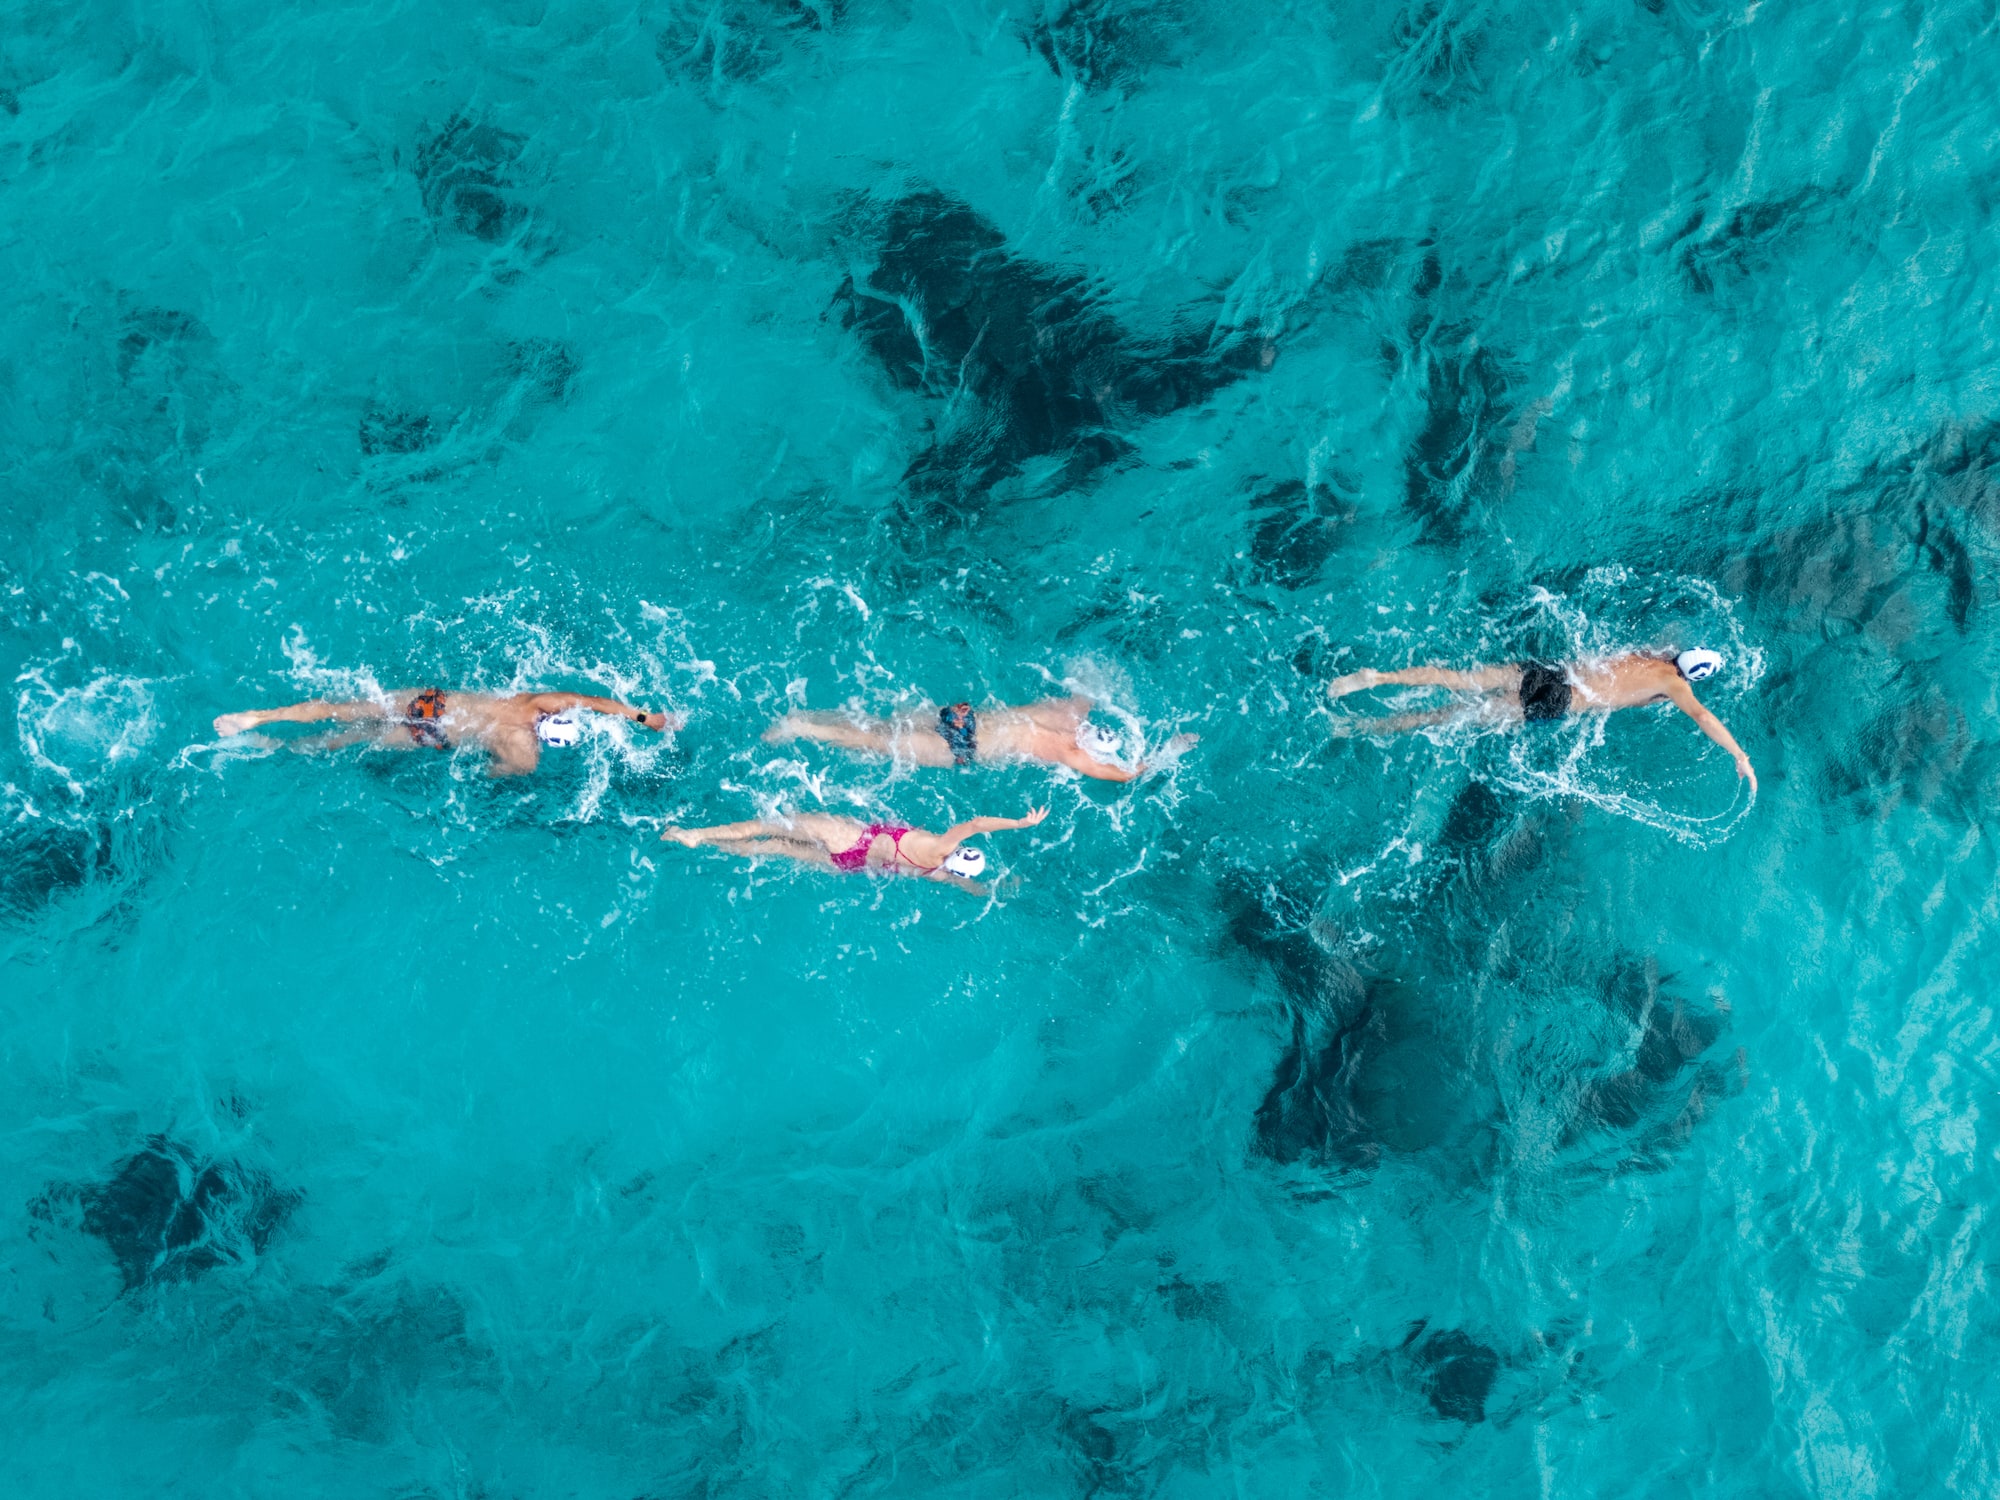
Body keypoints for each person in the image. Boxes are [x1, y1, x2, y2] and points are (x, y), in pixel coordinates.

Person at [1326, 648, 1757, 793]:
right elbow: (1701, 714)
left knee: (1459, 680)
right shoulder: (1677, 687)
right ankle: (1361, 728)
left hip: (1551, 673)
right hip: (1561, 701)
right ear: (1692, 677)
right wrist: (1739, 753)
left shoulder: (1652, 656)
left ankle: (1377, 678)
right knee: (1449, 716)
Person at [212, 687, 680, 776]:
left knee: (342, 709)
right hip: (432, 737)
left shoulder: (533, 704)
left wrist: (647, 719)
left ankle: (261, 717)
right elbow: (490, 773)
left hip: (435, 704)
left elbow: (597, 702)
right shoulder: (527, 756)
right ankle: (272, 746)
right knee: (348, 740)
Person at [763, 694, 1196, 783]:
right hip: (962, 747)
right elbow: (1127, 775)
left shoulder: (1070, 711)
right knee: (877, 743)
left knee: (881, 724)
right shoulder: (1071, 753)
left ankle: (806, 720)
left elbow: (1089, 689)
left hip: (962, 717)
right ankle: (802, 727)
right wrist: (1171, 749)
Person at [660, 805, 1048, 890]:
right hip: (849, 863)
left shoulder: (941, 849)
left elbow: (977, 824)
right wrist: (1004, 888)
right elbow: (979, 889)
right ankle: (707, 844)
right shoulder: (944, 875)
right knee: (772, 848)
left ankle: (696, 833)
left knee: (767, 824)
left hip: (852, 838)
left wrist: (1021, 823)